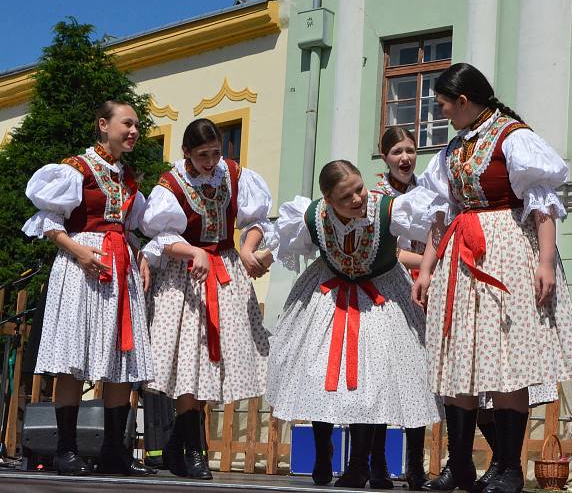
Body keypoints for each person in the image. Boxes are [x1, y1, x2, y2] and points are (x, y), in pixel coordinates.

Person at [412, 63, 572, 493]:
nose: (442, 113)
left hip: (507, 250)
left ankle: (508, 466)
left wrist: (545, 263)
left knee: (508, 357)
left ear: (465, 101)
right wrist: (427, 268)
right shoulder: (452, 149)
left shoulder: (514, 137)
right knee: (458, 356)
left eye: (445, 105)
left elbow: (542, 205)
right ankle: (461, 464)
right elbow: (441, 215)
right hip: (460, 255)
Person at [265, 160, 442, 489]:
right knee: (316, 373)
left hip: (382, 293)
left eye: (359, 189)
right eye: (347, 197)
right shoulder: (312, 216)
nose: (358, 199)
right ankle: (323, 451)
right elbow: (282, 243)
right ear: (329, 200)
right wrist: (259, 257)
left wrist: (428, 269)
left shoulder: (389, 208)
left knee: (370, 379)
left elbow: (436, 223)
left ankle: (360, 464)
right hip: (329, 291)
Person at [22, 100, 154, 476]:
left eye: (136, 126)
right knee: (73, 360)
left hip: (120, 267)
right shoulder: (76, 169)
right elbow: (48, 222)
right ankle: (66, 450)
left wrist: (141, 254)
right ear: (103, 124)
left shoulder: (128, 178)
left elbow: (132, 226)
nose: (133, 131)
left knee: (120, 362)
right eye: (127, 124)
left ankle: (115, 450)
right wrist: (79, 251)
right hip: (84, 267)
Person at [140, 118, 274, 480]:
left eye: (216, 152)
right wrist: (192, 252)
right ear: (186, 152)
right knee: (190, 363)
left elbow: (259, 219)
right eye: (203, 155)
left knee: (214, 364)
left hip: (225, 271)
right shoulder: (171, 185)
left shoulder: (233, 174)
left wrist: (247, 249)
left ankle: (176, 445)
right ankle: (195, 450)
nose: (211, 161)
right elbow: (159, 237)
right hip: (185, 277)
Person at [368, 127, 431, 490]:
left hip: (424, 291)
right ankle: (378, 463)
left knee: (417, 379)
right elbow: (384, 249)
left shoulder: (427, 193)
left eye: (410, 150)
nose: (405, 158)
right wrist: (426, 262)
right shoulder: (376, 198)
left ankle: (416, 466)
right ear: (384, 156)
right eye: (397, 152)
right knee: (382, 378)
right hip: (388, 290)